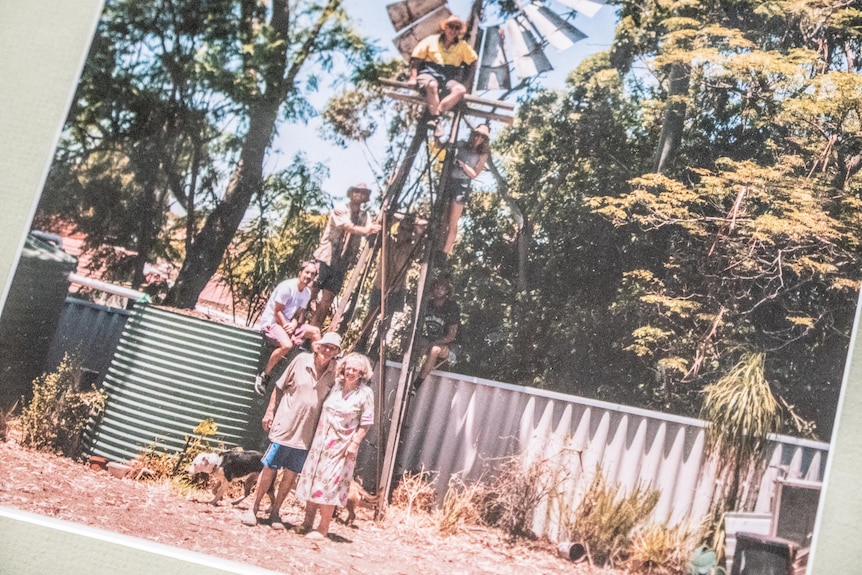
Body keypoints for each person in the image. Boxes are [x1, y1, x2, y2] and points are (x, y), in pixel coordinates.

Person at [241, 331, 342, 529]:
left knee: (290, 474)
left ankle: (275, 512)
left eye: (333, 348)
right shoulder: (301, 360)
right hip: (285, 427)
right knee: (269, 468)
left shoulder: (335, 371)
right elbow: (279, 387)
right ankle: (252, 508)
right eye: (325, 346)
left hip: (307, 434)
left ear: (336, 352)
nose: (327, 350)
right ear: (318, 346)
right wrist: (270, 411)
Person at [295, 352, 375, 539]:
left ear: (362, 373)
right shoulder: (336, 385)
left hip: (342, 446)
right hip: (321, 443)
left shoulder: (365, 393)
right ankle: (307, 523)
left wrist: (355, 443)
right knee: (314, 479)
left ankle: (322, 528)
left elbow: (366, 422)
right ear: (343, 369)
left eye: (355, 370)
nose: (351, 372)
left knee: (330, 484)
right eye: (348, 368)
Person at [309, 183, 381, 329]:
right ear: (351, 193)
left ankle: (310, 335)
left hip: (341, 264)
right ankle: (295, 329)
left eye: (363, 193)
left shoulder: (364, 215)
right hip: (326, 258)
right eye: (357, 191)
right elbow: (348, 227)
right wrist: (367, 230)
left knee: (326, 302)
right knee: (309, 295)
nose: (359, 195)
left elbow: (370, 228)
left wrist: (374, 228)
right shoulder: (341, 209)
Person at [356, 213, 427, 353]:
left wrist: (418, 228)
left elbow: (420, 252)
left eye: (408, 230)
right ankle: (362, 342)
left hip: (397, 288)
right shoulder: (388, 241)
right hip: (380, 285)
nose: (403, 232)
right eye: (402, 228)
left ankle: (376, 346)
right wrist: (397, 218)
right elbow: (384, 226)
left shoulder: (412, 248)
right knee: (371, 315)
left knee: (387, 320)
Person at [253, 261, 322, 395]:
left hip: (288, 324)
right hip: (272, 322)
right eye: (307, 272)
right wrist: (287, 328)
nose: (308, 276)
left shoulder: (307, 292)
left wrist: (294, 324)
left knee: (315, 332)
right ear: (300, 272)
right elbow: (277, 312)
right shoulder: (287, 287)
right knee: (287, 345)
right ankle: (264, 375)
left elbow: (298, 313)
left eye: (312, 274)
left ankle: (316, 371)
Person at [408, 14, 478, 134]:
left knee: (460, 90)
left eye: (457, 28)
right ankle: (436, 121)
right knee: (432, 85)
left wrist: (466, 82)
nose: (453, 30)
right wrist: (413, 77)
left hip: (448, 77)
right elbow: (416, 59)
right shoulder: (431, 40)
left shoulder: (462, 46)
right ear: (445, 28)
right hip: (429, 73)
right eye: (451, 26)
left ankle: (436, 115)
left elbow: (474, 62)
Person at [441, 124, 490, 256]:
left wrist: (462, 165)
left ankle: (444, 253)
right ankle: (438, 246)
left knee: (453, 221)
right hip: (449, 180)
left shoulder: (483, 155)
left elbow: (474, 174)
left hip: (462, 184)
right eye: (477, 134)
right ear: (472, 134)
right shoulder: (461, 144)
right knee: (441, 217)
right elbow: (444, 148)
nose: (478, 138)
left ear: (485, 139)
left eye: (482, 136)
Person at [411, 276, 460, 391]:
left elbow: (451, 336)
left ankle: (416, 385)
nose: (439, 291)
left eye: (442, 289)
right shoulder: (428, 304)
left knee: (435, 349)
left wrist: (430, 344)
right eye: (436, 288)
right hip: (432, 340)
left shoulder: (452, 307)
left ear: (447, 292)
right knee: (413, 343)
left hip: (451, 347)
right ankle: (408, 374)